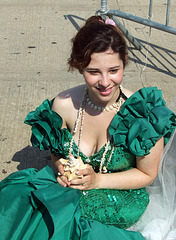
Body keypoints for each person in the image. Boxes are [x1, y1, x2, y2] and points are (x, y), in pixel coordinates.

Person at [0, 16, 175, 240]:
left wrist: (97, 181)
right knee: (18, 199)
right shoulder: (63, 104)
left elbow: (147, 174)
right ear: (80, 66)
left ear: (125, 61)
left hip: (119, 199)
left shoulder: (143, 114)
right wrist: (62, 168)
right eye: (93, 72)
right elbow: (57, 154)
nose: (104, 82)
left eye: (114, 70)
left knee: (56, 220)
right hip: (70, 192)